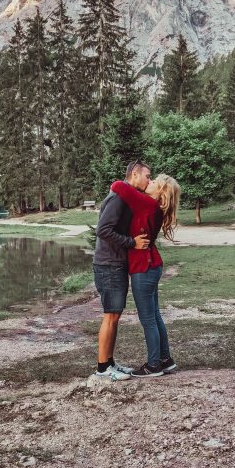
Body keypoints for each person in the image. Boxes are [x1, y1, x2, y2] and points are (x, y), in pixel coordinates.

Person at [110, 173, 181, 377]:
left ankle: (153, 365)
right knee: (155, 315)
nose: (148, 183)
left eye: (153, 182)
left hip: (144, 267)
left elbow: (117, 185)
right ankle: (165, 360)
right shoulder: (153, 206)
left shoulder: (147, 203)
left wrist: (132, 181)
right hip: (152, 265)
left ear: (161, 193)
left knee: (148, 318)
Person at [92, 161, 152, 381]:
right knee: (110, 315)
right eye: (147, 176)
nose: (149, 180)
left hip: (115, 264)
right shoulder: (117, 198)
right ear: (134, 174)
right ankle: (101, 369)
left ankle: (110, 362)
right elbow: (103, 230)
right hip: (108, 264)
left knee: (115, 315)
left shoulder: (125, 196)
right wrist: (131, 242)